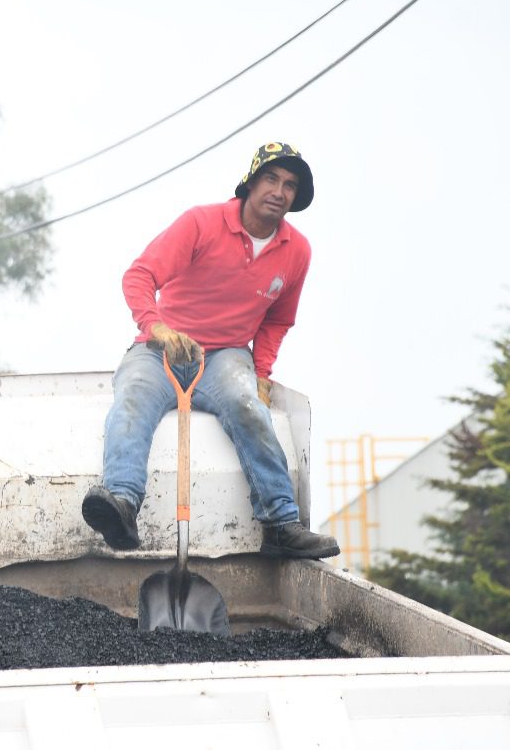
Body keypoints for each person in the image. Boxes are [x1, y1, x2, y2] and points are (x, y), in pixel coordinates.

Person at [81, 142, 340, 559]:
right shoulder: (201, 223)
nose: (279, 191)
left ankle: (279, 525)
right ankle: (123, 505)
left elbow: (277, 320)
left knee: (249, 406)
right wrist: (157, 327)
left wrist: (261, 371)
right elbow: (140, 275)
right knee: (132, 398)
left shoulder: (297, 252)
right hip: (162, 348)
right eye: (271, 179)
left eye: (290, 185)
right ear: (251, 183)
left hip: (224, 355)